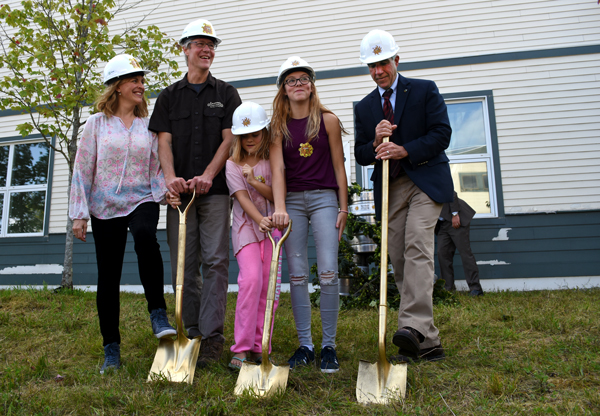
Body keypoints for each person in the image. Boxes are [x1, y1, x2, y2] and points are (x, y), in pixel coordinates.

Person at [69, 54, 178, 374]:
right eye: (134, 81)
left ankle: (158, 312)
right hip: (104, 206)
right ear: (117, 86)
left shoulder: (149, 126)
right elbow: (82, 168)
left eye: (142, 81)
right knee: (109, 276)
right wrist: (79, 213)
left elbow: (156, 166)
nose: (141, 86)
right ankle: (111, 349)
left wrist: (165, 191)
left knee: (146, 235)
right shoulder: (96, 124)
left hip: (141, 197)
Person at [354, 30, 454, 363]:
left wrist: (405, 149)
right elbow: (361, 153)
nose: (378, 71)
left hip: (425, 180)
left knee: (417, 244)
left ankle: (410, 327)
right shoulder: (367, 106)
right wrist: (376, 141)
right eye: (372, 66)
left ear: (396, 60)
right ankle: (427, 343)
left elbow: (442, 135)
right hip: (390, 188)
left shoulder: (424, 90)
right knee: (398, 256)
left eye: (383, 63)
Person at [149, 18, 242, 368]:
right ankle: (190, 331)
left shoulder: (227, 93)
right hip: (180, 198)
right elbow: (164, 141)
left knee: (216, 262)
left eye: (211, 44)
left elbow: (230, 138)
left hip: (215, 192)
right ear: (185, 49)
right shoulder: (169, 97)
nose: (207, 49)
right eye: (200, 43)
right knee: (184, 266)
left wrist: (208, 174)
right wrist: (170, 179)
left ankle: (213, 336)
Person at [270, 56, 349, 373]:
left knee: (329, 271)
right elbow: (277, 170)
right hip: (292, 202)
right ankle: (306, 344)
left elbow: (340, 166)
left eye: (304, 79)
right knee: (298, 273)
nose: (298, 84)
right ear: (283, 90)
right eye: (291, 80)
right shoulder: (277, 126)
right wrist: (279, 207)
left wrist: (344, 206)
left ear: (312, 86)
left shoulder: (327, 120)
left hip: (324, 199)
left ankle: (329, 346)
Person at [225, 102, 283, 370]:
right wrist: (260, 220)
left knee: (269, 287)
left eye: (255, 134)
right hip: (247, 228)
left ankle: (261, 346)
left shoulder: (272, 160)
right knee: (250, 281)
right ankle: (241, 348)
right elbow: (240, 199)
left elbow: (276, 195)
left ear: (264, 133)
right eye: (245, 135)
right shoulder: (232, 165)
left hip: (273, 230)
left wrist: (256, 181)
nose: (250, 140)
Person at [435, 191, 484, 296]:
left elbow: (451, 192)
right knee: (442, 254)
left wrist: (455, 213)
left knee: (465, 253)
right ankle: (447, 288)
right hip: (442, 223)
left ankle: (476, 288)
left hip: (456, 219)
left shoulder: (433, 177)